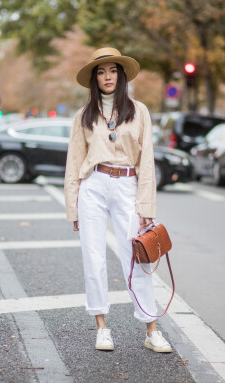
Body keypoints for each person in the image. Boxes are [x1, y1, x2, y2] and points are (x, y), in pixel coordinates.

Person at [64, 47, 172, 353]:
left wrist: (146, 207)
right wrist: (73, 206)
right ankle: (102, 328)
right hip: (93, 186)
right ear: (94, 79)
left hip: (128, 184)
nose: (107, 77)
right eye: (100, 72)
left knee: (137, 258)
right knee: (93, 258)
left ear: (121, 75)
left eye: (112, 71)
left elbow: (147, 162)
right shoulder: (83, 116)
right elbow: (74, 164)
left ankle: (151, 330)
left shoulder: (139, 112)